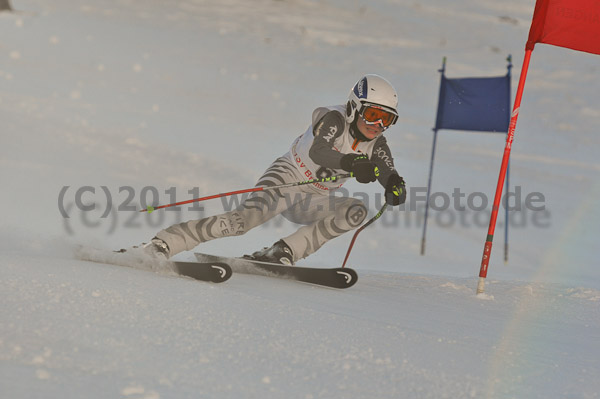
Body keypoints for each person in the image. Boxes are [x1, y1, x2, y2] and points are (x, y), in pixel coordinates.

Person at [140, 74, 407, 265]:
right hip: (287, 179)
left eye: (387, 119)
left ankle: (284, 251)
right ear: (354, 108)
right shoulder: (334, 119)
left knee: (355, 211)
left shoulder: (377, 143)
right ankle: (165, 242)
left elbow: (386, 170)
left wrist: (395, 185)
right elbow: (319, 151)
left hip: (315, 199)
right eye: (373, 115)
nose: (378, 125)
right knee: (244, 221)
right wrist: (351, 163)